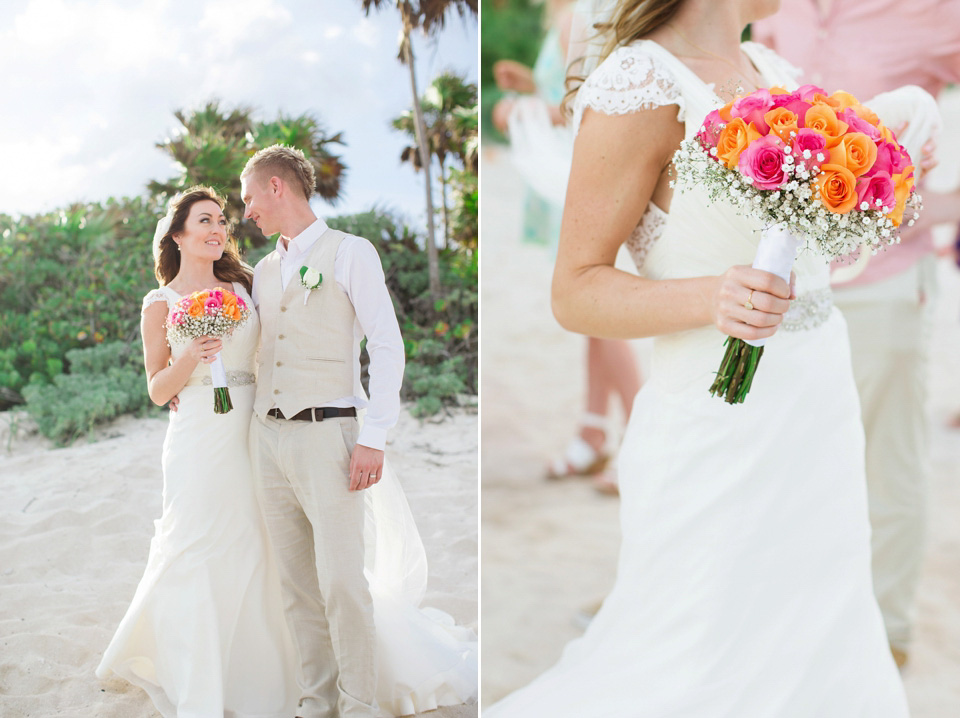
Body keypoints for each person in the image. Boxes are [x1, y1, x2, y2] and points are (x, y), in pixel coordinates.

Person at [484, 0, 911, 714]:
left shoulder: (768, 68)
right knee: (703, 642)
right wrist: (713, 297)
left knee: (815, 623)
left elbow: (806, 251)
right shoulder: (641, 84)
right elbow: (575, 289)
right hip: (719, 424)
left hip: (815, 412)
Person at [751, 1, 960, 668]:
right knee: (781, 466)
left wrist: (921, 212)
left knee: (886, 466)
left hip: (886, 286)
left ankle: (885, 637)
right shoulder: (770, 7)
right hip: (780, 287)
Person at [242, 144, 476, 718]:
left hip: (331, 434)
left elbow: (387, 345)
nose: (246, 211)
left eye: (249, 197)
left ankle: (358, 704)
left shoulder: (352, 252)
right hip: (266, 438)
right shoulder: (263, 272)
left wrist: (375, 435)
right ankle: (315, 702)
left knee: (342, 581)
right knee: (296, 585)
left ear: (278, 188)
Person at [96, 186, 300, 717]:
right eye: (205, 220)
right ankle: (200, 674)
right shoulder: (158, 304)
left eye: (222, 223)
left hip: (253, 423)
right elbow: (158, 389)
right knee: (198, 542)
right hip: (196, 436)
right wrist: (189, 356)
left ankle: (271, 668)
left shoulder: (248, 283)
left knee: (259, 538)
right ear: (178, 234)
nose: (218, 230)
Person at [493, 0, 643, 494]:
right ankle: (593, 429)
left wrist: (520, 110)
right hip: (569, 176)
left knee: (598, 311)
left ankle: (641, 438)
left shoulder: (578, 14)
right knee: (592, 321)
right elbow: (570, 93)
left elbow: (595, 106)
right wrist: (533, 89)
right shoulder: (569, 14)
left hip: (577, 181)